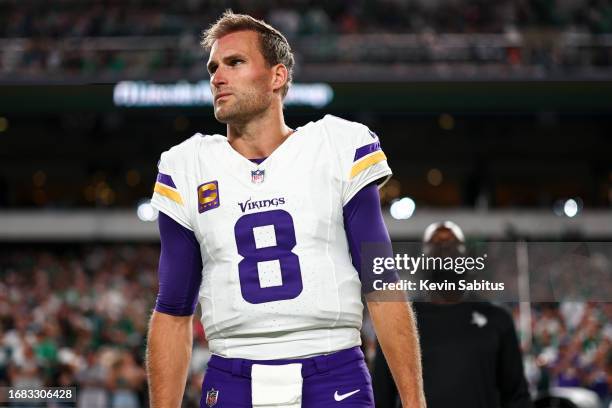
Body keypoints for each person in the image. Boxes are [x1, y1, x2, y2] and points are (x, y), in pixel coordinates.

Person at [146, 10, 425, 408]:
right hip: (232, 372)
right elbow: (172, 312)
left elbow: (382, 286)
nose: (217, 77)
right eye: (213, 67)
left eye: (235, 62)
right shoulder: (186, 165)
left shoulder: (337, 145)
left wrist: (415, 402)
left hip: (333, 368)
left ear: (277, 76)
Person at [372, 221, 533, 408]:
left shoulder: (497, 319)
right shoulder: (397, 322)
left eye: (452, 244)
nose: (444, 248)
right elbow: (380, 397)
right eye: (436, 244)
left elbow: (517, 396)